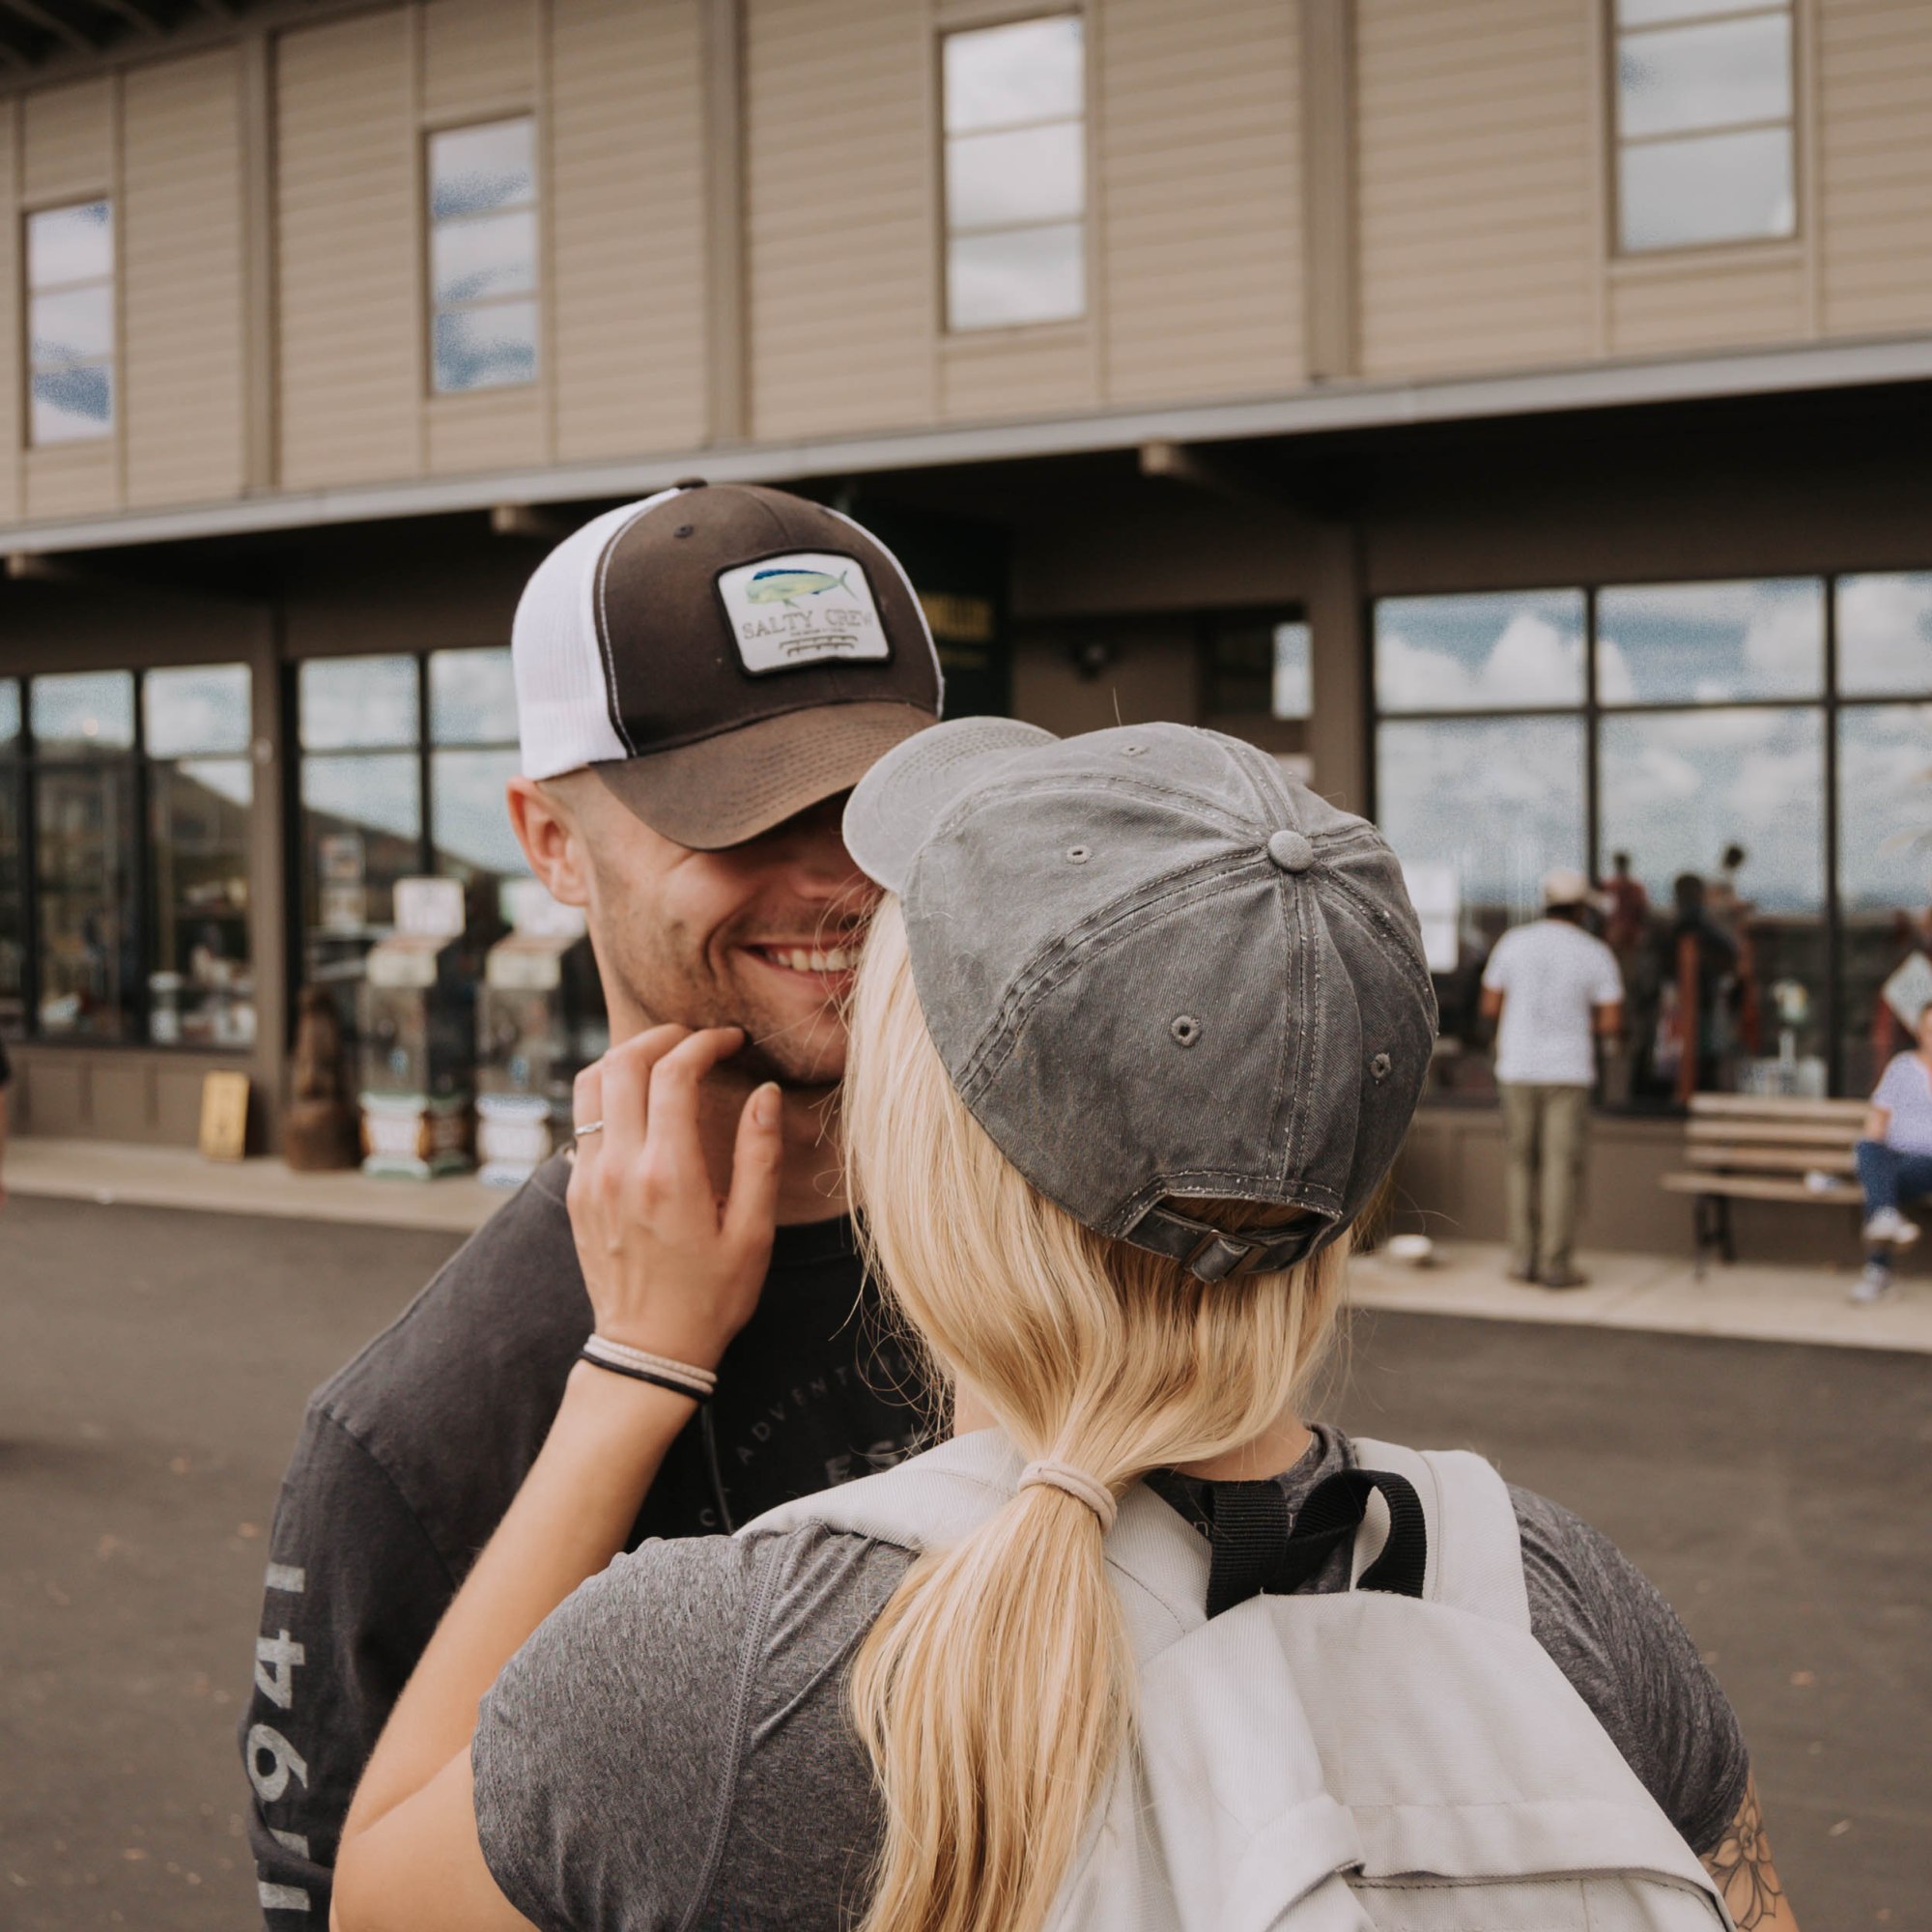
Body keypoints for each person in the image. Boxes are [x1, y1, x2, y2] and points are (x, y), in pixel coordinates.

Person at [327, 722, 1793, 1932]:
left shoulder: (724, 1676)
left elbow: (371, 1890)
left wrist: (634, 1365)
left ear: (922, 1143)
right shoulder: (1552, 1598)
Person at [242, 481, 945, 1923]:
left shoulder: (1061, 1258)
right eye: (745, 815)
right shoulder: (415, 1435)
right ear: (551, 841)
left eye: (879, 803)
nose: (839, 877)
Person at [1480, 868, 1625, 1289]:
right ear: (1581, 909)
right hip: (1568, 1070)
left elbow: (1490, 1006)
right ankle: (1555, 1264)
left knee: (1520, 1163)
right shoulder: (1594, 952)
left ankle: (1522, 1259)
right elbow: (1611, 1021)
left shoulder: (1513, 942)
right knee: (1561, 1167)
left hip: (1517, 1066)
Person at [1852, 996, 1932, 1304]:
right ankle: (1886, 1217)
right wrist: (1874, 1153)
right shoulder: (1901, 1068)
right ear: (1919, 1032)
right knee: (1868, 1149)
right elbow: (1876, 1123)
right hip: (1896, 1158)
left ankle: (1877, 1273)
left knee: (1880, 1185)